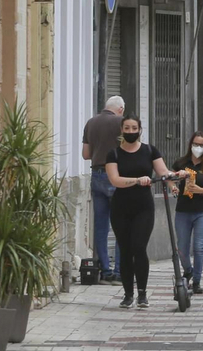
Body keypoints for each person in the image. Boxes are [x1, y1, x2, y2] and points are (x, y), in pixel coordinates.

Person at [104, 115, 172, 307]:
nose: (131, 131)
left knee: (139, 247)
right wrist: (137, 180)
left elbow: (163, 172)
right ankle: (128, 294)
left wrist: (174, 179)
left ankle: (142, 293)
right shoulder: (114, 154)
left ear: (140, 130)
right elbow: (115, 180)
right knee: (125, 250)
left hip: (144, 207)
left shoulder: (150, 151)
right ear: (121, 130)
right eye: (127, 128)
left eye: (134, 128)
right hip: (121, 207)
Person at [81, 96, 125, 283]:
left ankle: (105, 270)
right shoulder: (122, 122)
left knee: (100, 225)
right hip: (116, 176)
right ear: (120, 109)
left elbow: (86, 155)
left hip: (97, 175)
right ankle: (120, 271)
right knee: (121, 225)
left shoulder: (91, 123)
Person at [173, 131, 203, 294]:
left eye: (201, 145)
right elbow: (170, 177)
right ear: (190, 145)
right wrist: (173, 186)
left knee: (198, 247)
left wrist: (202, 190)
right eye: (195, 144)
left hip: (202, 212)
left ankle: (197, 281)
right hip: (183, 211)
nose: (197, 148)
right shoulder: (182, 163)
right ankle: (188, 270)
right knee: (182, 248)